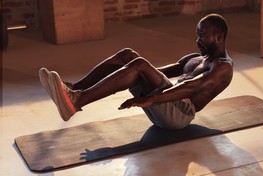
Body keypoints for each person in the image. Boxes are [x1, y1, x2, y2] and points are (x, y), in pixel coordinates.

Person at [39, 13, 233, 129]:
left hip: (179, 115)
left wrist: (149, 98)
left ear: (219, 37)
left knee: (139, 64)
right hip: (167, 103)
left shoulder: (223, 67)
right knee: (128, 56)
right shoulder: (197, 57)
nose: (198, 40)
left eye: (203, 36)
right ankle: (73, 90)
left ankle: (76, 101)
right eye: (197, 36)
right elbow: (165, 70)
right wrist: (132, 73)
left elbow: (193, 86)